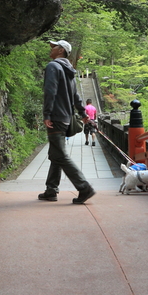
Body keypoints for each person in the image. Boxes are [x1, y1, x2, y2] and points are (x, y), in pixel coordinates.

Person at [38, 39, 96, 204]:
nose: (51, 48)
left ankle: (84, 187)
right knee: (55, 153)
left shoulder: (53, 66)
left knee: (60, 155)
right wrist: (83, 114)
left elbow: (50, 91)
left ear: (61, 50)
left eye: (54, 46)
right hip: (65, 118)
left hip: (56, 116)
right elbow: (75, 96)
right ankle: (51, 190)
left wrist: (47, 114)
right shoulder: (69, 70)